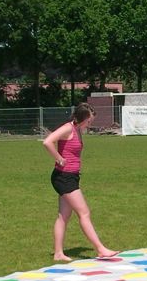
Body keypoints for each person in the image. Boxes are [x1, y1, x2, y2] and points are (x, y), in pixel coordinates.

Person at [42, 103, 118, 261]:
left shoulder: (77, 130)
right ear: (82, 118)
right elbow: (47, 142)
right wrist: (59, 158)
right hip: (64, 177)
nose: (90, 124)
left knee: (63, 216)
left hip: (70, 176)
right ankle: (101, 249)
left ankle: (58, 253)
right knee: (84, 213)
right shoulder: (68, 128)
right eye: (89, 121)